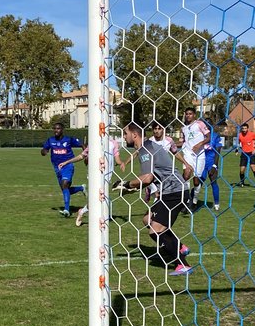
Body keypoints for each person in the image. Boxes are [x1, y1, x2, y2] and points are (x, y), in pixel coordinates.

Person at [115, 122, 192, 276]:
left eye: (125, 133)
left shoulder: (145, 150)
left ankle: (182, 264)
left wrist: (126, 183)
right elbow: (149, 178)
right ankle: (180, 246)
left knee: (154, 231)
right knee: (147, 219)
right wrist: (130, 188)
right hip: (169, 192)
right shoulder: (146, 147)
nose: (124, 137)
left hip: (174, 192)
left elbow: (147, 178)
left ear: (134, 134)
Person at [61, 137, 122, 227]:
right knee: (98, 198)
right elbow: (82, 156)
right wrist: (67, 162)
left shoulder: (113, 143)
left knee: (101, 197)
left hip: (107, 175)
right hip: (95, 175)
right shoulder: (95, 142)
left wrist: (124, 162)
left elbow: (117, 159)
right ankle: (100, 216)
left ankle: (83, 211)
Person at [41, 122, 84, 218]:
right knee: (66, 189)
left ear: (62, 130)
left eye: (58, 128)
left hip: (68, 165)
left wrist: (86, 155)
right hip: (57, 167)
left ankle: (66, 210)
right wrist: (44, 151)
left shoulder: (68, 139)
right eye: (54, 129)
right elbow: (43, 150)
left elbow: (82, 144)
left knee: (65, 184)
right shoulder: (50, 140)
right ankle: (81, 188)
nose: (56, 130)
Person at [181, 107, 211, 207]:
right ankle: (186, 199)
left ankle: (194, 198)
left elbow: (208, 137)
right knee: (186, 175)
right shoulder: (184, 128)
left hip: (199, 155)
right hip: (188, 153)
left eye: (190, 114)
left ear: (194, 115)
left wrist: (199, 144)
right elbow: (184, 141)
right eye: (187, 114)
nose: (188, 115)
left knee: (196, 180)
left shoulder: (200, 124)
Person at [236, 123, 255, 187]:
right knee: (242, 170)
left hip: (251, 153)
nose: (244, 130)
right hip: (244, 153)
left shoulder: (252, 134)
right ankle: (242, 182)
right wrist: (237, 149)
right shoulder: (240, 135)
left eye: (245, 128)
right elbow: (238, 143)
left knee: (253, 167)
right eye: (243, 128)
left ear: (247, 128)